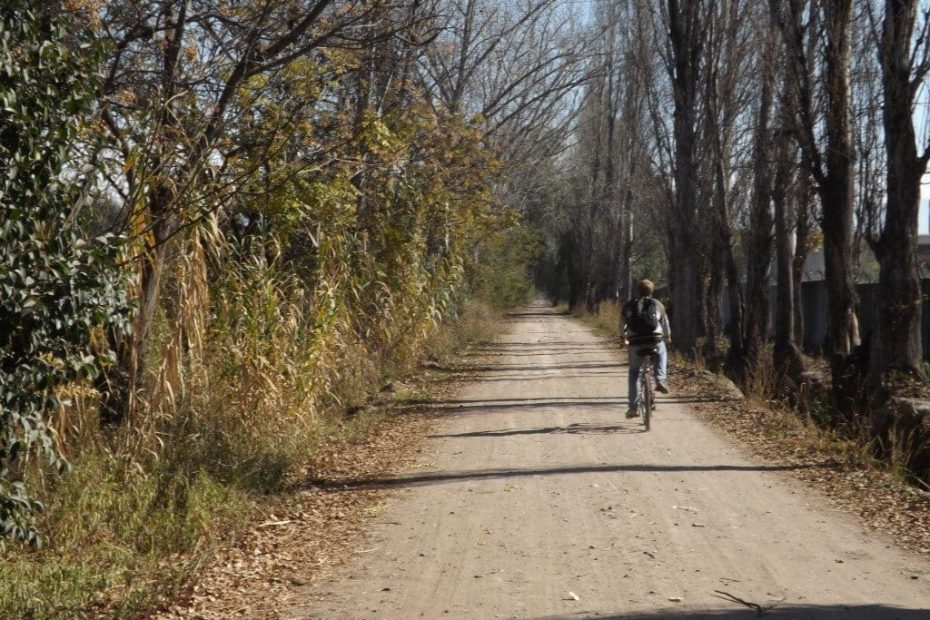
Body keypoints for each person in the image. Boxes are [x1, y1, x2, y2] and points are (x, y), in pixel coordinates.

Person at [621, 279, 671, 418]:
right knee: (662, 352)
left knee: (634, 373)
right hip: (654, 340)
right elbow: (665, 322)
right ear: (652, 291)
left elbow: (622, 323)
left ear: (638, 290)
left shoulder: (629, 305)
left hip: (635, 342)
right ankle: (660, 378)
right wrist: (667, 336)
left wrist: (622, 338)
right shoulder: (657, 304)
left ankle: (633, 408)